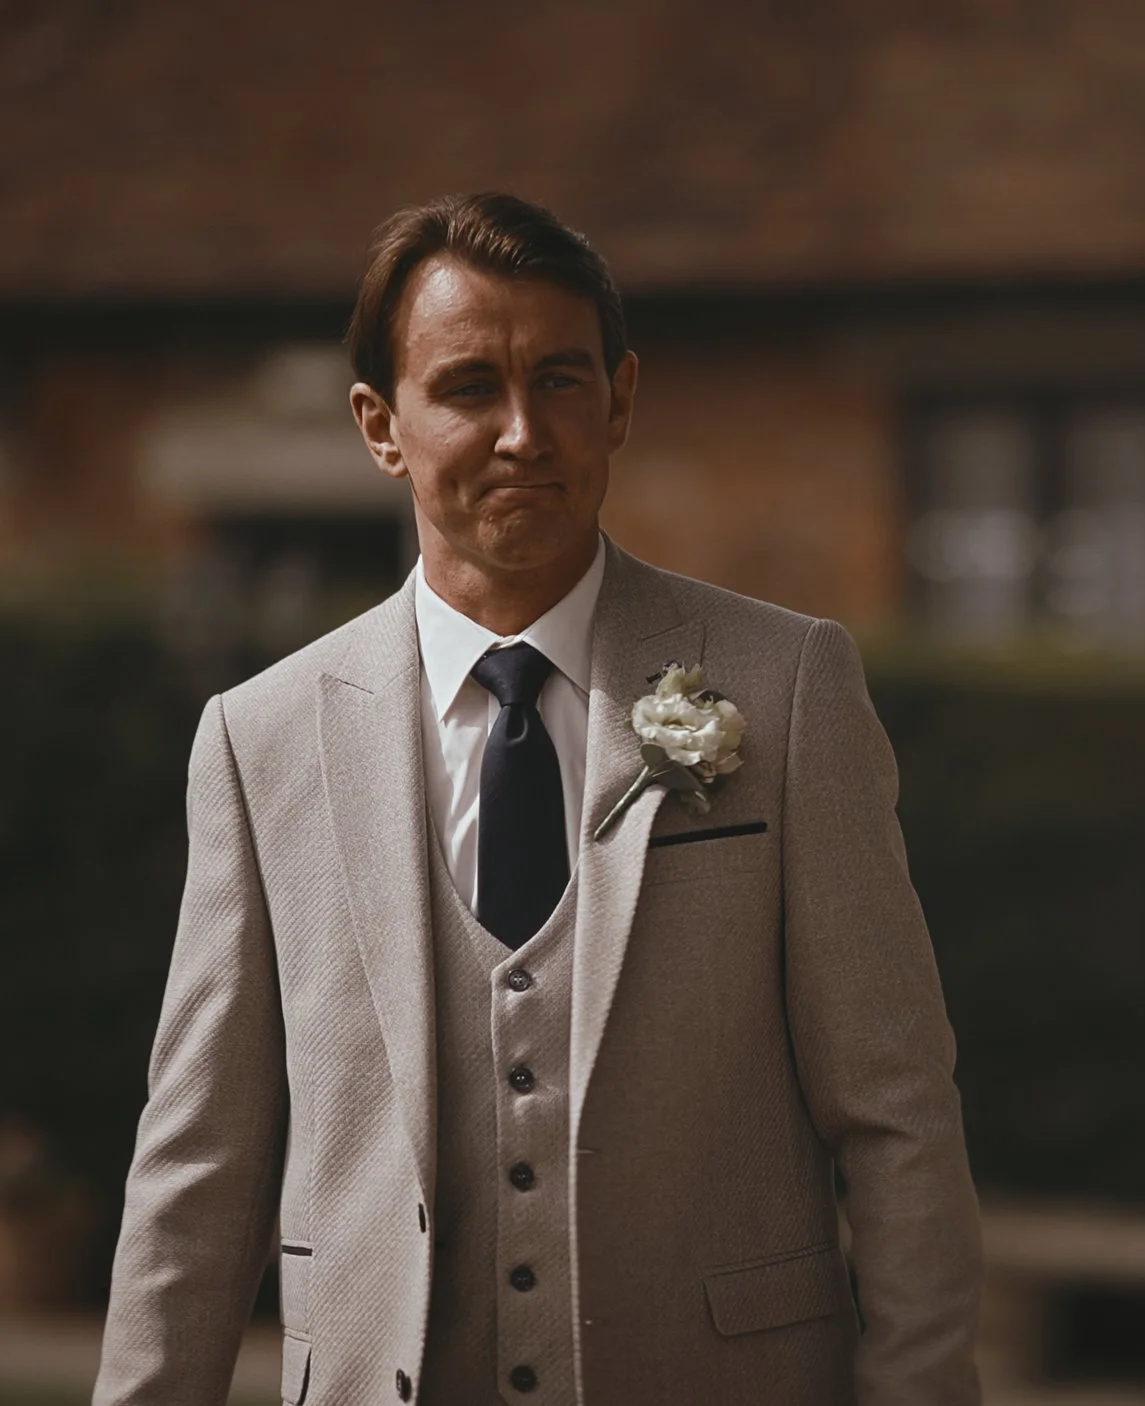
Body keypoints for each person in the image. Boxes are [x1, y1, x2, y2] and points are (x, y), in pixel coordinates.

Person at [93, 193, 982, 1406]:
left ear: (617, 400)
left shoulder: (787, 686)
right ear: (381, 426)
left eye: (559, 383)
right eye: (467, 388)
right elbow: (199, 1166)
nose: (523, 431)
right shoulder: (262, 739)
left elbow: (897, 1115)